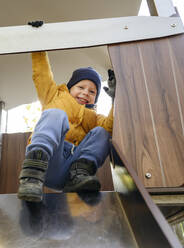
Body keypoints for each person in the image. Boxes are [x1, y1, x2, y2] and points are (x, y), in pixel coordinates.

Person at [17, 51, 116, 202]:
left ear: (95, 98)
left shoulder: (94, 118)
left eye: (92, 91)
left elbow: (110, 127)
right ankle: (32, 173)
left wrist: (117, 97)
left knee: (102, 132)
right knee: (56, 114)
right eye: (81, 87)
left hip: (71, 171)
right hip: (48, 162)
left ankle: (80, 174)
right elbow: (42, 75)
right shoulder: (53, 96)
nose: (85, 93)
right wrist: (38, 47)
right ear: (70, 88)